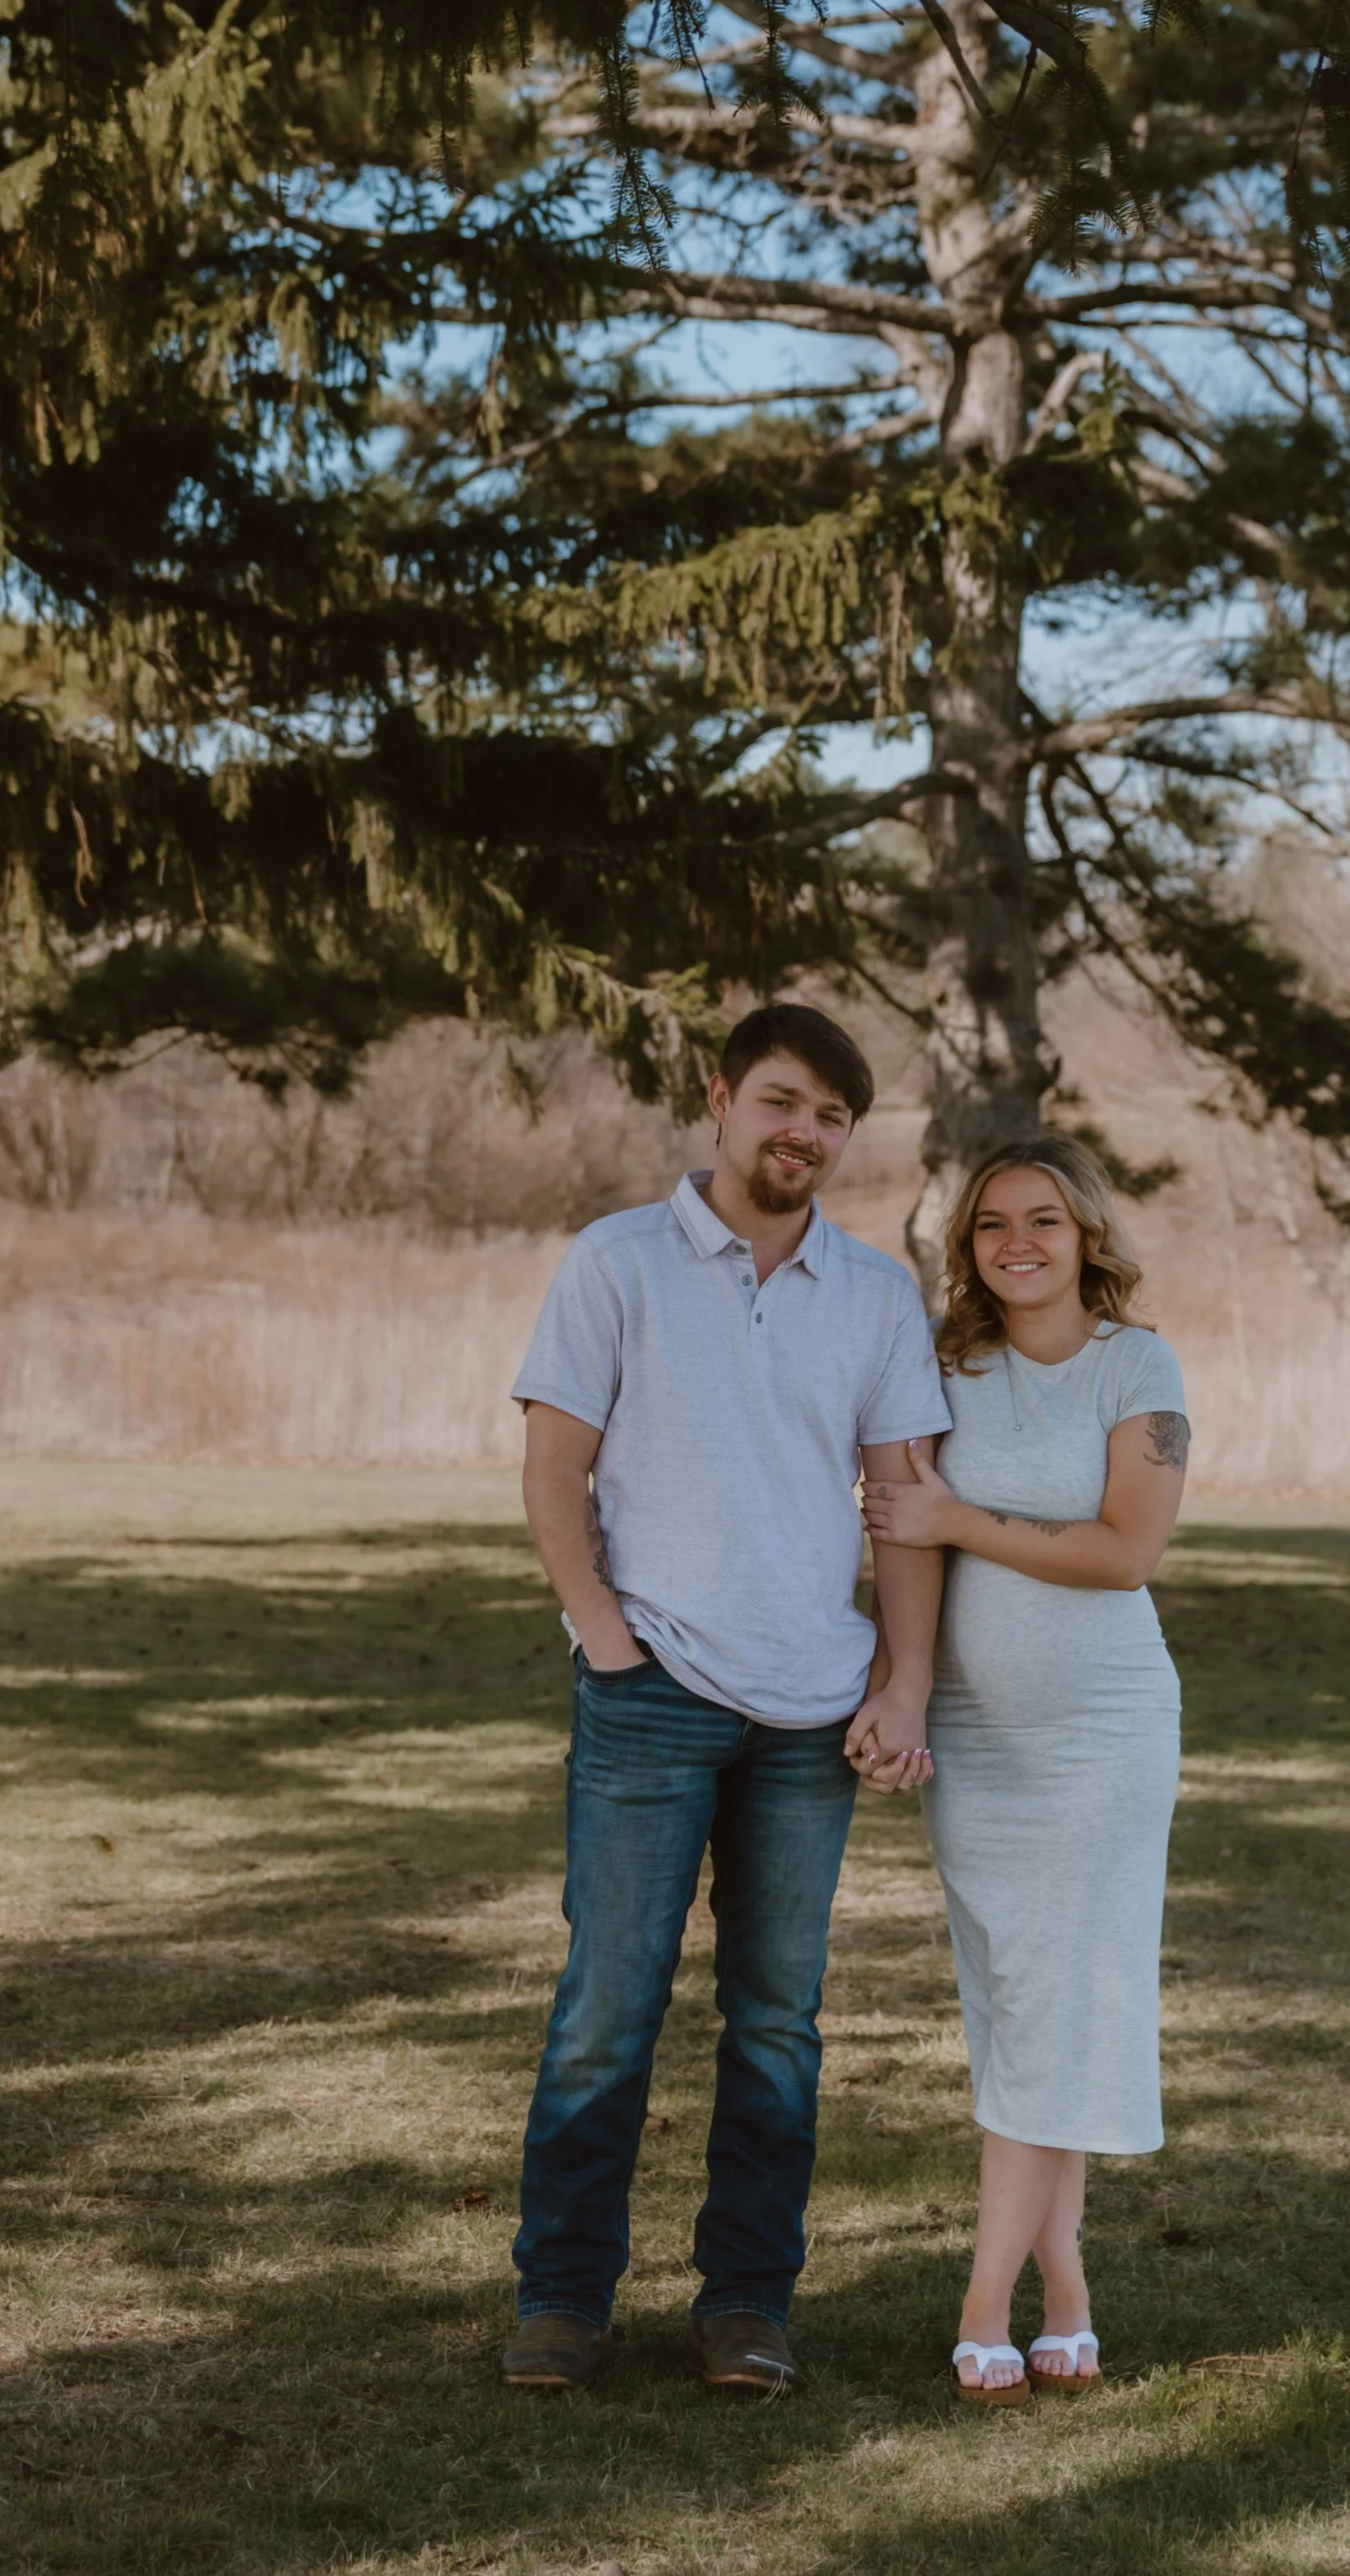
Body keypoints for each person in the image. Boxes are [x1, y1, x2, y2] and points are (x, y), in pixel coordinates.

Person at [499, 1003, 948, 2399]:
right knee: (606, 2009)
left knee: (776, 2018)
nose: (803, 1131)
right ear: (720, 1099)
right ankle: (564, 2300)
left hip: (811, 1710)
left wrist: (904, 1674)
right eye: (782, 1100)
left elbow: (905, 1504)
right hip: (651, 1694)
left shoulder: (876, 1295)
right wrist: (606, 1639)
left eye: (831, 1116)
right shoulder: (618, 1261)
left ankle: (747, 2302)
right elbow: (555, 1469)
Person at [855, 1134, 1189, 2399]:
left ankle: (984, 2300)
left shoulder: (1136, 1365)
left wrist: (958, 1518)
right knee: (1019, 2006)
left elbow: (1126, 1551)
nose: (1018, 1243)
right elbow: (903, 1538)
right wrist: (903, 1682)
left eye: (1042, 1219)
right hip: (979, 1744)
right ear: (970, 1246)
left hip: (1101, 1734)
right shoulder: (945, 1366)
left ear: (1085, 1232)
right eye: (992, 1225)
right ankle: (1071, 2293)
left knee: (1054, 2002)